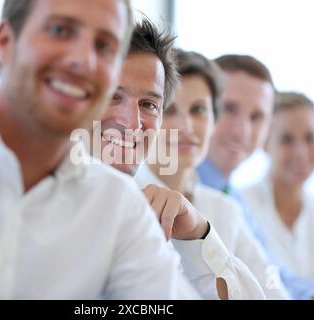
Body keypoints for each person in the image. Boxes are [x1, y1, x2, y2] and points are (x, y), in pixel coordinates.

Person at [0, 0, 199, 299]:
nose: (85, 62)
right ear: (5, 41)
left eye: (105, 47)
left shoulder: (119, 207)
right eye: (60, 30)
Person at [97, 24, 266, 299]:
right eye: (114, 96)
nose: (131, 122)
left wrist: (200, 238)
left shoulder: (212, 212)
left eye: (148, 104)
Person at [136, 49, 288, 299]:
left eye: (198, 110)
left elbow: (272, 293)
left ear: (214, 121)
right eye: (170, 108)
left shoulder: (225, 210)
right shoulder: (126, 198)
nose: (185, 127)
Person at [197, 54, 314, 299]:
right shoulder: (178, 186)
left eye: (257, 117)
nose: (242, 130)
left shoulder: (232, 197)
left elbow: (270, 272)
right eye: (229, 109)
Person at [243, 92, 314, 299]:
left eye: (310, 138)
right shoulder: (242, 205)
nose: (300, 152)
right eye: (287, 140)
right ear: (265, 143)